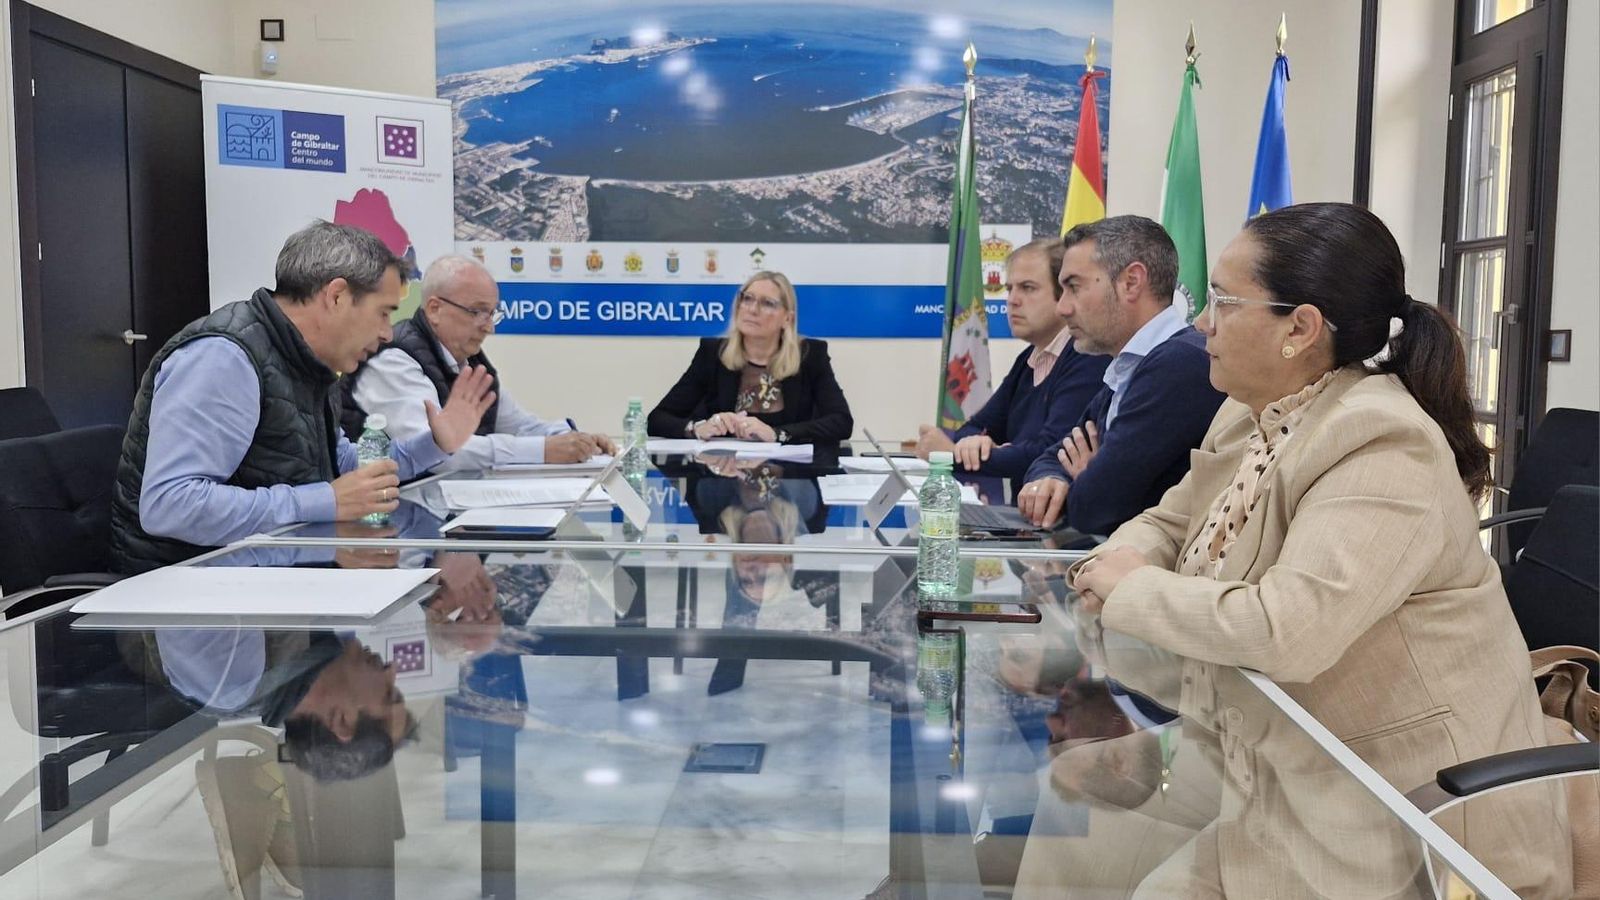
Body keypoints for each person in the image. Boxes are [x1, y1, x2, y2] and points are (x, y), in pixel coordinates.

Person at [1068, 202, 1568, 895]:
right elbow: (1166, 522)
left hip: (1403, 806)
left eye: (1223, 302)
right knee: (1076, 809)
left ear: (1299, 329)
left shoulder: (1382, 440)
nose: (1202, 324)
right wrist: (1117, 564)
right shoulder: (1252, 410)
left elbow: (1285, 630)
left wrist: (1127, 588)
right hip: (1275, 754)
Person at [110, 221, 496, 575]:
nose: (388, 334)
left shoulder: (308, 361)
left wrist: (436, 443)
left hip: (267, 584)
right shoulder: (224, 358)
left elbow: (343, 466)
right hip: (185, 600)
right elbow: (170, 506)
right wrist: (322, 501)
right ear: (338, 296)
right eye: (383, 313)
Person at [1015, 216, 1223, 535]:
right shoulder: (1130, 366)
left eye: (1074, 287)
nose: (1063, 308)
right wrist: (1054, 478)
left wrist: (1085, 477)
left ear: (1131, 282)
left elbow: (1094, 509)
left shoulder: (1178, 364)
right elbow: (1052, 455)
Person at [341, 254, 615, 471]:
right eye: (478, 312)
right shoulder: (392, 360)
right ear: (435, 309)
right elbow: (435, 453)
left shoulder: (467, 362)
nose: (489, 328)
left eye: (492, 314)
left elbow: (520, 425)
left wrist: (576, 439)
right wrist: (544, 450)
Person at [914, 238, 1109, 496]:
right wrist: (975, 444)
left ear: (1064, 294)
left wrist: (953, 455)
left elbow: (1050, 450)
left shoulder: (1088, 357)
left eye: (1028, 288)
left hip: (1067, 527)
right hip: (1027, 518)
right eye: (1010, 288)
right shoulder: (1029, 358)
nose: (1013, 300)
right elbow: (974, 428)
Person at [647, 271, 853, 445]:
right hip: (722, 478)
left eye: (767, 303)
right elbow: (657, 419)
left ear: (787, 319)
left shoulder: (810, 355)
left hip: (793, 480)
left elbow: (841, 422)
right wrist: (698, 428)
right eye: (747, 299)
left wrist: (777, 434)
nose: (752, 310)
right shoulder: (713, 353)